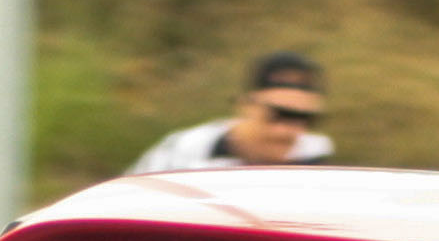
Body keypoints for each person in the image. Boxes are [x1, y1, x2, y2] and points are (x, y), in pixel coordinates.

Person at [130, 52, 337, 172]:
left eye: (304, 118)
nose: (287, 131)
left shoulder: (315, 158)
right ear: (245, 106)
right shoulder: (185, 152)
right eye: (277, 115)